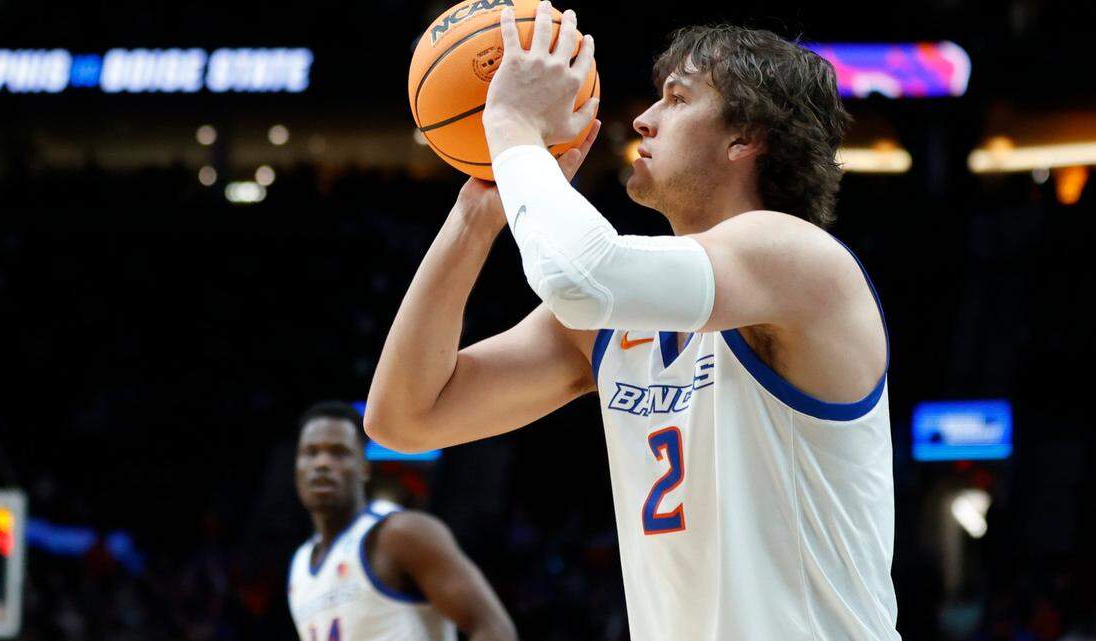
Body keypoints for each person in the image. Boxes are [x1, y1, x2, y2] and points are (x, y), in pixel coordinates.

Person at [368, 5, 898, 640]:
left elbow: (581, 277)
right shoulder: (620, 317)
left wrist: (511, 124)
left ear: (744, 137)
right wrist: (478, 212)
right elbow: (404, 416)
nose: (642, 118)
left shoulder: (799, 261)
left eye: (677, 99)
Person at [288, 401, 516, 641]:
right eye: (311, 452)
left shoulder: (402, 533)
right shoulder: (299, 566)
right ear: (296, 466)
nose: (322, 463)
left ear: (364, 467)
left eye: (339, 452)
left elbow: (495, 629)